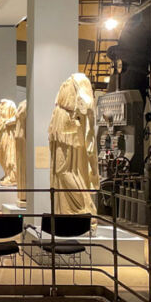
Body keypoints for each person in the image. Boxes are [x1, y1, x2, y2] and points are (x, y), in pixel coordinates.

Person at [48, 73, 99, 215]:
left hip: (67, 128)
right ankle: (66, 209)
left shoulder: (79, 79)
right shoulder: (70, 81)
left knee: (64, 170)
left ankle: (85, 206)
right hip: (60, 125)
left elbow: (87, 104)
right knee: (59, 171)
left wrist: (80, 108)